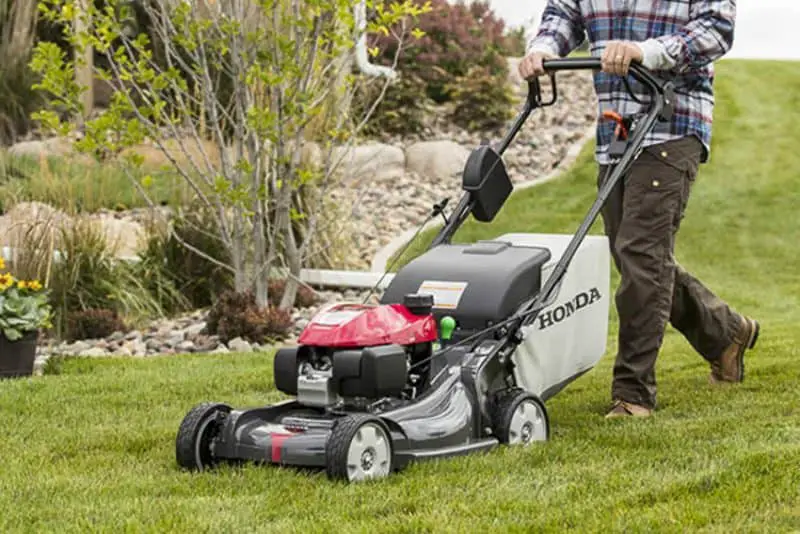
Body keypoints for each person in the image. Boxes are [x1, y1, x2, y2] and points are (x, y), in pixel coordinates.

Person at [519, 0, 759, 418]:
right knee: (636, 256)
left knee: (641, 254)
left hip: (672, 122)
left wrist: (645, 51)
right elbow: (564, 13)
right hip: (615, 128)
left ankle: (633, 393)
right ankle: (726, 333)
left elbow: (716, 29)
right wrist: (544, 47)